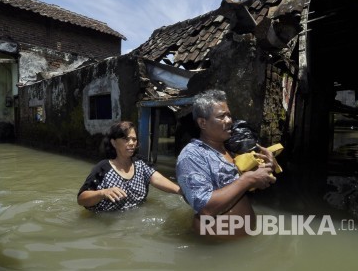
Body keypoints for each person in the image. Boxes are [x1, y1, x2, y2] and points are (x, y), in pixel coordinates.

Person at [176, 89, 276, 236]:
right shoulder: (191, 156)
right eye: (221, 116)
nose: (229, 121)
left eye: (229, 115)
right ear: (203, 123)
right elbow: (205, 209)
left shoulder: (228, 148)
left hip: (243, 244)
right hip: (214, 249)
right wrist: (248, 179)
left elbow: (241, 187)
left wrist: (266, 168)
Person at [77, 121, 181, 212]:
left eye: (134, 139)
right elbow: (81, 199)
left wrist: (181, 191)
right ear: (114, 143)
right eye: (126, 139)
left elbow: (157, 179)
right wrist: (102, 193)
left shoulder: (141, 164)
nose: (132, 143)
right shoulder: (103, 168)